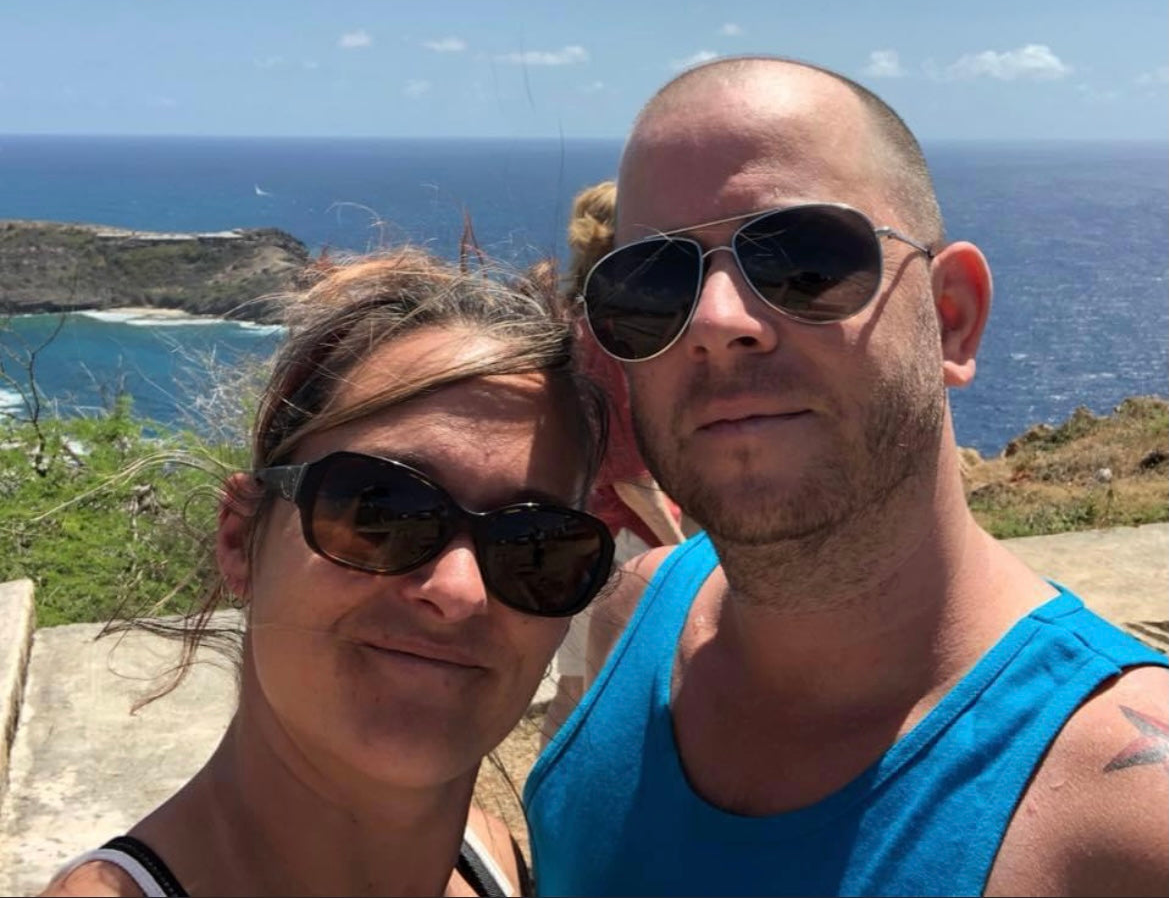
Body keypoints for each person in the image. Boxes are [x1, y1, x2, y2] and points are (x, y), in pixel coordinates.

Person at [524, 57, 1169, 896]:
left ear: (951, 318)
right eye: (651, 286)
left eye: (802, 263)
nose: (716, 323)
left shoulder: (1125, 820)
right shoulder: (629, 620)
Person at [43, 247, 614, 897]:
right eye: (378, 509)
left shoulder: (490, 860)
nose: (458, 591)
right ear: (239, 540)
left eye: (534, 544)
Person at [544, 183, 688, 739]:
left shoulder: (571, 320)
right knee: (625, 695)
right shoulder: (611, 338)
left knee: (577, 687)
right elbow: (630, 477)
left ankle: (549, 805)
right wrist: (684, 556)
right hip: (628, 544)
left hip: (581, 534)